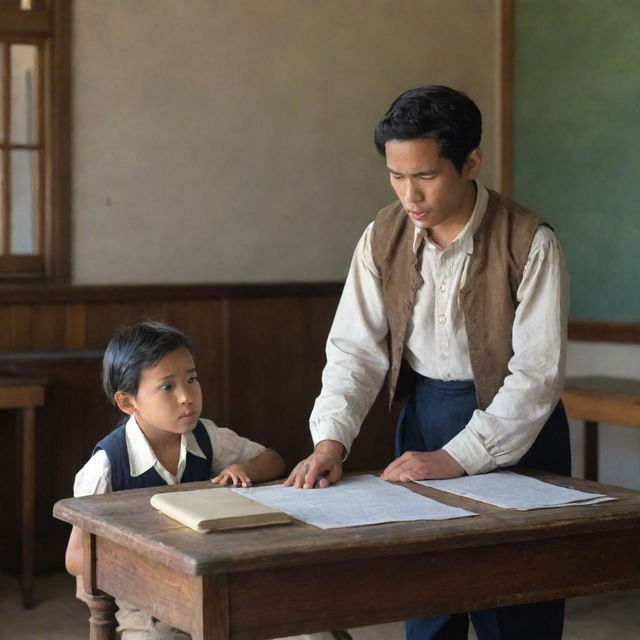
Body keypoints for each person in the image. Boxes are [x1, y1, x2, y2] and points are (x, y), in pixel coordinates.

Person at [285, 85, 571, 639]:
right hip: (425, 418)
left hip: (519, 432)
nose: (408, 195)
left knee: (515, 609)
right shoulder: (381, 237)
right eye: (395, 175)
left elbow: (536, 377)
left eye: (425, 176)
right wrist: (331, 440)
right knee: (429, 604)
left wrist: (457, 457)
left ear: (470, 163)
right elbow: (354, 351)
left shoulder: (529, 242)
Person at [66, 319, 339, 640]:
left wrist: (246, 470)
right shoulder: (107, 466)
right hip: (146, 601)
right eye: (168, 386)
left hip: (213, 586)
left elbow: (273, 460)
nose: (186, 396)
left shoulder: (206, 437)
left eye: (191, 379)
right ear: (129, 402)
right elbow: (76, 556)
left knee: (310, 633)